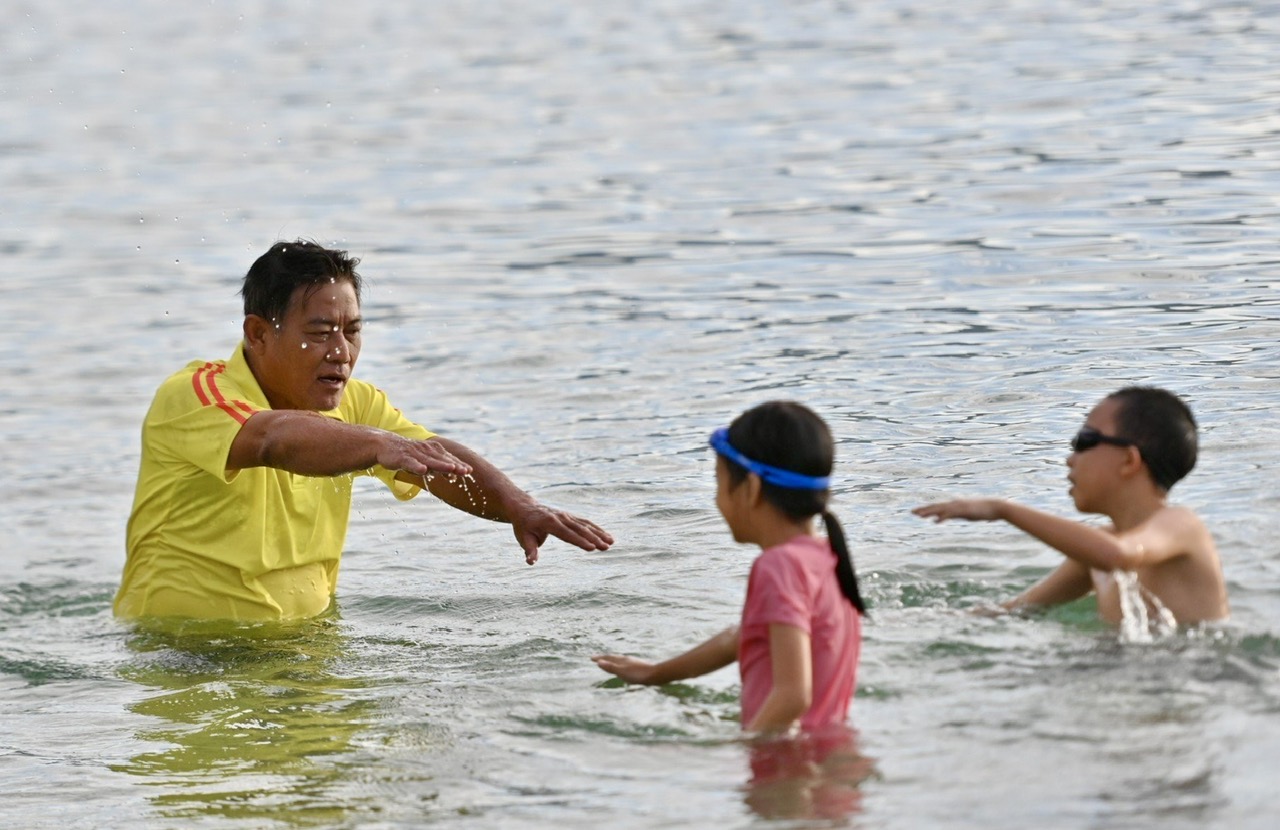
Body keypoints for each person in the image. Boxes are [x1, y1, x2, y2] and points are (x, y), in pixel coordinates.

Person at [115, 240, 613, 621]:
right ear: (259, 334)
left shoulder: (356, 403)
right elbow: (271, 439)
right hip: (182, 652)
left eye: (352, 331)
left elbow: (432, 459)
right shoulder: (193, 395)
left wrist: (518, 506)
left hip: (306, 645)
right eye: (319, 333)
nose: (341, 352)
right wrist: (380, 445)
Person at [593, 401, 866, 735]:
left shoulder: (779, 565)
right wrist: (656, 673)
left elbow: (793, 696)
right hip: (831, 759)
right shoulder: (825, 556)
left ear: (750, 489)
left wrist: (742, 749)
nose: (717, 500)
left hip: (791, 773)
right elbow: (743, 638)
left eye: (719, 483)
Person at [913, 386, 1228, 626]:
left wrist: (1004, 510)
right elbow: (1013, 611)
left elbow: (1118, 556)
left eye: (1084, 441)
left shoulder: (1181, 526)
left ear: (1129, 460)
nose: (1070, 458)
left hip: (1193, 678)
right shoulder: (1093, 555)